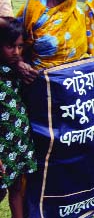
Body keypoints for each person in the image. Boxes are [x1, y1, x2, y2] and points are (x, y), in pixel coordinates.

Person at [16, 0, 88, 73]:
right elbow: (11, 46)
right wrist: (19, 64)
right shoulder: (32, 13)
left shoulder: (78, 14)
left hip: (74, 82)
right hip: (39, 82)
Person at [0, 18, 37, 218]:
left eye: (20, 46)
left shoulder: (17, 70)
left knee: (17, 190)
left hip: (18, 141)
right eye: (9, 46)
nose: (16, 52)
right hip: (1, 147)